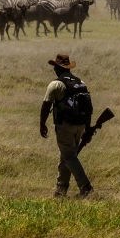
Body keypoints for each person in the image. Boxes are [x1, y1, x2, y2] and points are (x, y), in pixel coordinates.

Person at [39, 54, 93, 198]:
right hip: (80, 125)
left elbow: (46, 106)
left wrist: (42, 124)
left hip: (64, 125)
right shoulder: (80, 82)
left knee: (69, 156)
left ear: (57, 68)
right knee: (66, 156)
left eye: (55, 68)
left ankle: (85, 187)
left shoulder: (55, 84)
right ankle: (60, 189)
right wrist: (86, 129)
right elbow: (88, 108)